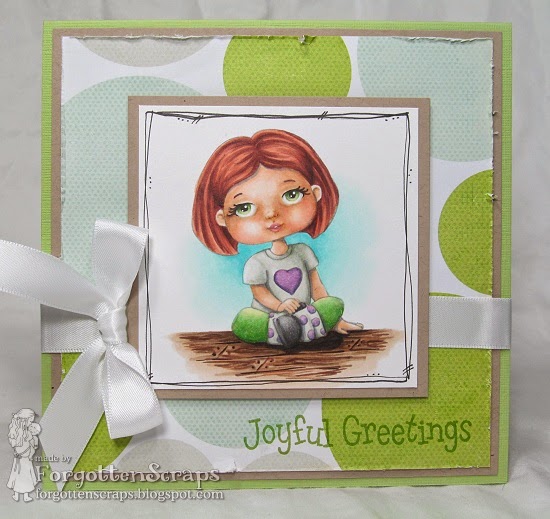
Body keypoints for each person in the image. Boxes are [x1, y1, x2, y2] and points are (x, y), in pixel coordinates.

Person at [192, 129, 362, 348]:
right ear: (222, 218)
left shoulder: (303, 252)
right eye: (244, 208)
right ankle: (283, 328)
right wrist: (280, 306)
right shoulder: (257, 263)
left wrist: (335, 319)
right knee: (245, 319)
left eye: (291, 195)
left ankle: (298, 328)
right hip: (269, 315)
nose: (271, 214)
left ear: (315, 193)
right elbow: (259, 293)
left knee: (333, 304)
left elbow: (316, 286)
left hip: (304, 311)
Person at [7, 409, 40, 502]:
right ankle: (22, 495)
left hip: (22, 457)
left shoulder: (18, 432)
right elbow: (31, 443)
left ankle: (19, 495)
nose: (31, 423)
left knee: (20, 475)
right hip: (24, 458)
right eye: (30, 421)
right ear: (24, 420)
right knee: (24, 475)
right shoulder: (24, 433)